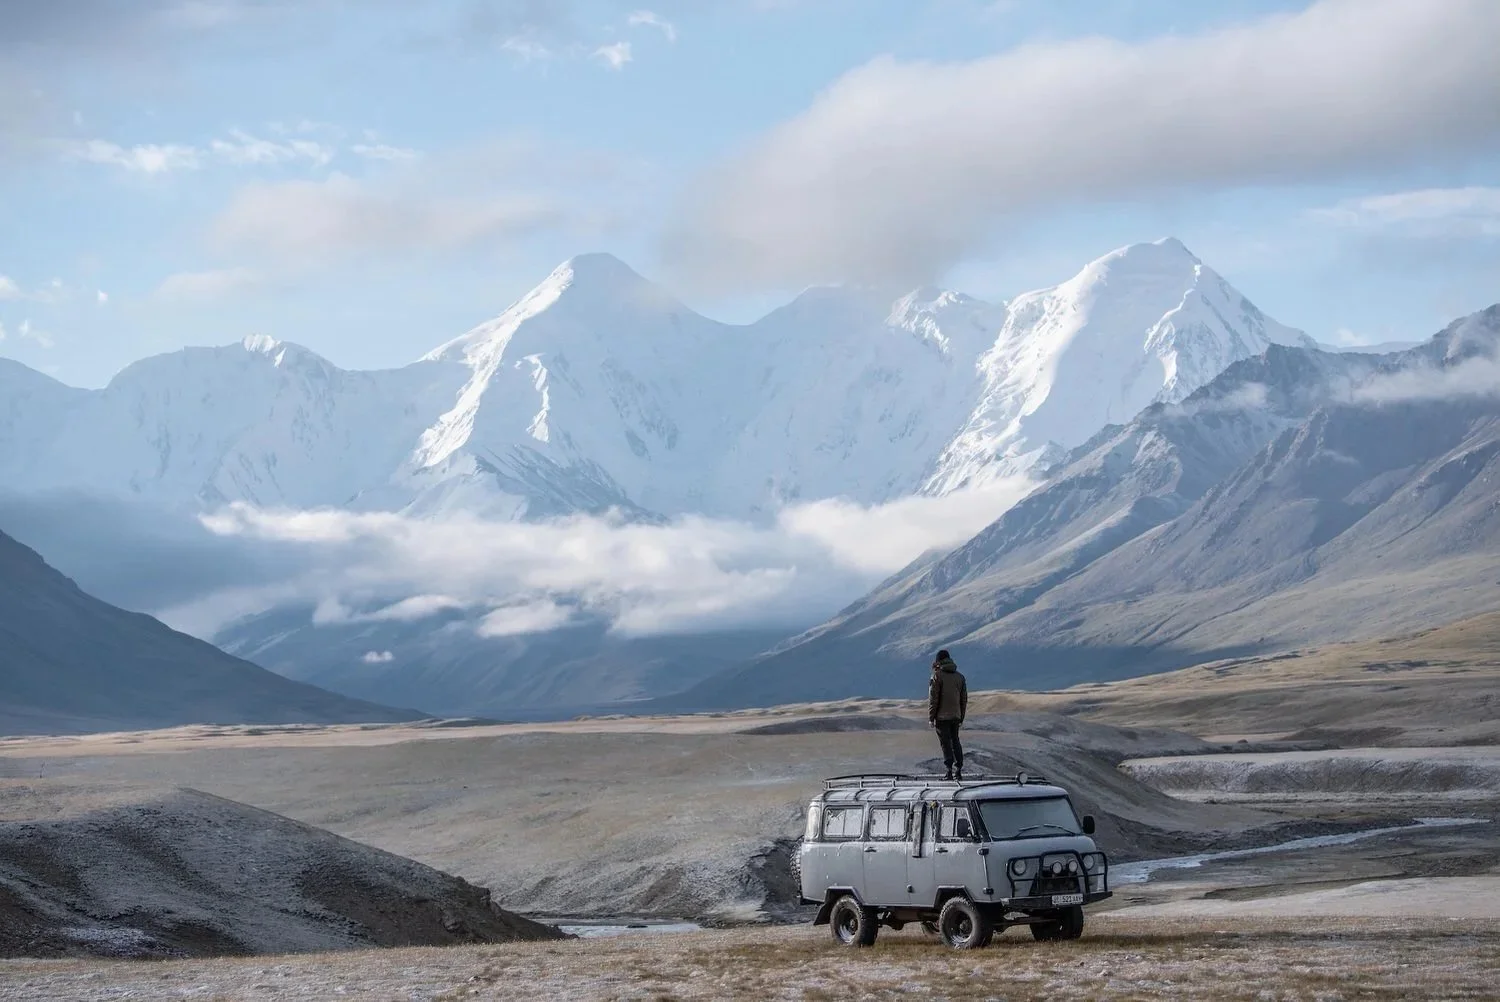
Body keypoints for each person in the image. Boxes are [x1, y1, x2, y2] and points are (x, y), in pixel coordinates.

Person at [928, 648, 968, 781]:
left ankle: (949, 770)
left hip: (941, 717)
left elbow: (934, 699)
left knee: (945, 743)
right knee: (955, 740)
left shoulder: (937, 676)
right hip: (956, 716)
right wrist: (961, 716)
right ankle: (959, 770)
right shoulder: (960, 677)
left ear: (938, 661)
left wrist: (931, 717)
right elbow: (964, 700)